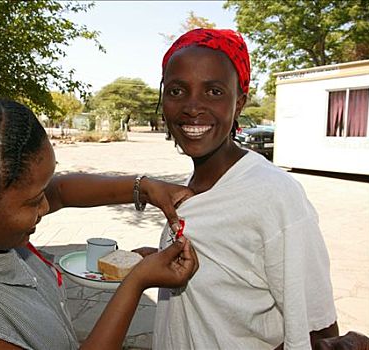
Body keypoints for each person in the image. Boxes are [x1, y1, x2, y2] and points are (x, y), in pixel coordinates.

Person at [0, 96, 198, 350]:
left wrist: (143, 187)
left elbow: (59, 190)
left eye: (43, 191)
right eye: (33, 201)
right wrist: (136, 282)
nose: (47, 206)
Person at [141, 28, 339, 349]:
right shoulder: (197, 186)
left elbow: (319, 328)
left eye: (214, 92)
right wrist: (156, 261)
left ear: (239, 103)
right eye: (177, 91)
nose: (192, 106)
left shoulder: (275, 195)